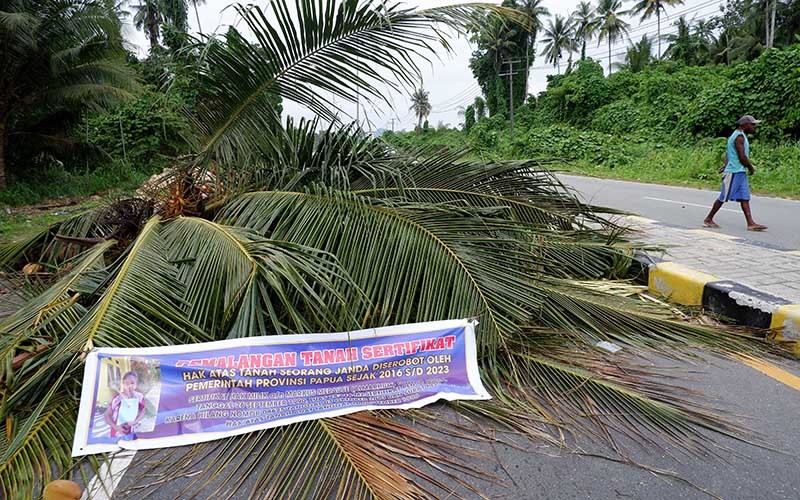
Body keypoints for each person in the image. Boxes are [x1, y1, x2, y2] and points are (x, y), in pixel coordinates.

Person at [703, 115, 768, 231]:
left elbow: (728, 153)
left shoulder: (739, 135)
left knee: (744, 197)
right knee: (723, 197)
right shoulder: (739, 137)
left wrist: (725, 164)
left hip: (739, 171)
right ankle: (708, 219)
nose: (754, 126)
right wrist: (751, 168)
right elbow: (742, 157)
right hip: (733, 172)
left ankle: (751, 223)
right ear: (744, 125)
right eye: (752, 124)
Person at [104, 371, 146, 440]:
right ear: (123, 384)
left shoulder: (139, 397)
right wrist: (116, 427)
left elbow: (143, 411)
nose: (129, 386)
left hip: (132, 432)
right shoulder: (117, 399)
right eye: (126, 383)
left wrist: (135, 422)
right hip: (117, 433)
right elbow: (106, 415)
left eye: (132, 383)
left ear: (136, 385)